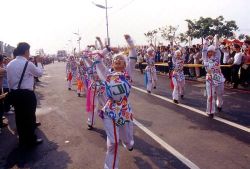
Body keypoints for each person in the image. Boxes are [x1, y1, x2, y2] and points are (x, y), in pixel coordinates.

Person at [94, 34, 136, 169]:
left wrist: (129, 41)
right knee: (113, 143)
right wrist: (107, 49)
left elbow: (133, 55)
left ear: (125, 64)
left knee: (127, 139)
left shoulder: (128, 73)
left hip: (124, 111)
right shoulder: (107, 74)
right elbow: (97, 60)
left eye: (121, 59)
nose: (117, 60)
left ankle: (129, 143)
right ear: (112, 63)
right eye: (115, 59)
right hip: (110, 111)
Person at [7, 42, 43, 147]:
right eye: (29, 51)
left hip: (15, 93)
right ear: (26, 51)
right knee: (29, 117)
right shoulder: (28, 64)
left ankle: (22, 139)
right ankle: (30, 140)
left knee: (19, 117)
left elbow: (9, 81)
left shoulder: (10, 64)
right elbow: (39, 73)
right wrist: (39, 63)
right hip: (27, 95)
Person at [202, 36, 225, 118]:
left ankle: (219, 104)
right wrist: (206, 40)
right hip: (210, 78)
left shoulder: (217, 57)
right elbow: (204, 49)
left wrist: (215, 38)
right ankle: (210, 111)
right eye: (209, 51)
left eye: (212, 51)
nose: (210, 53)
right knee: (210, 96)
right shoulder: (205, 59)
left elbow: (217, 48)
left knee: (220, 94)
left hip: (218, 78)